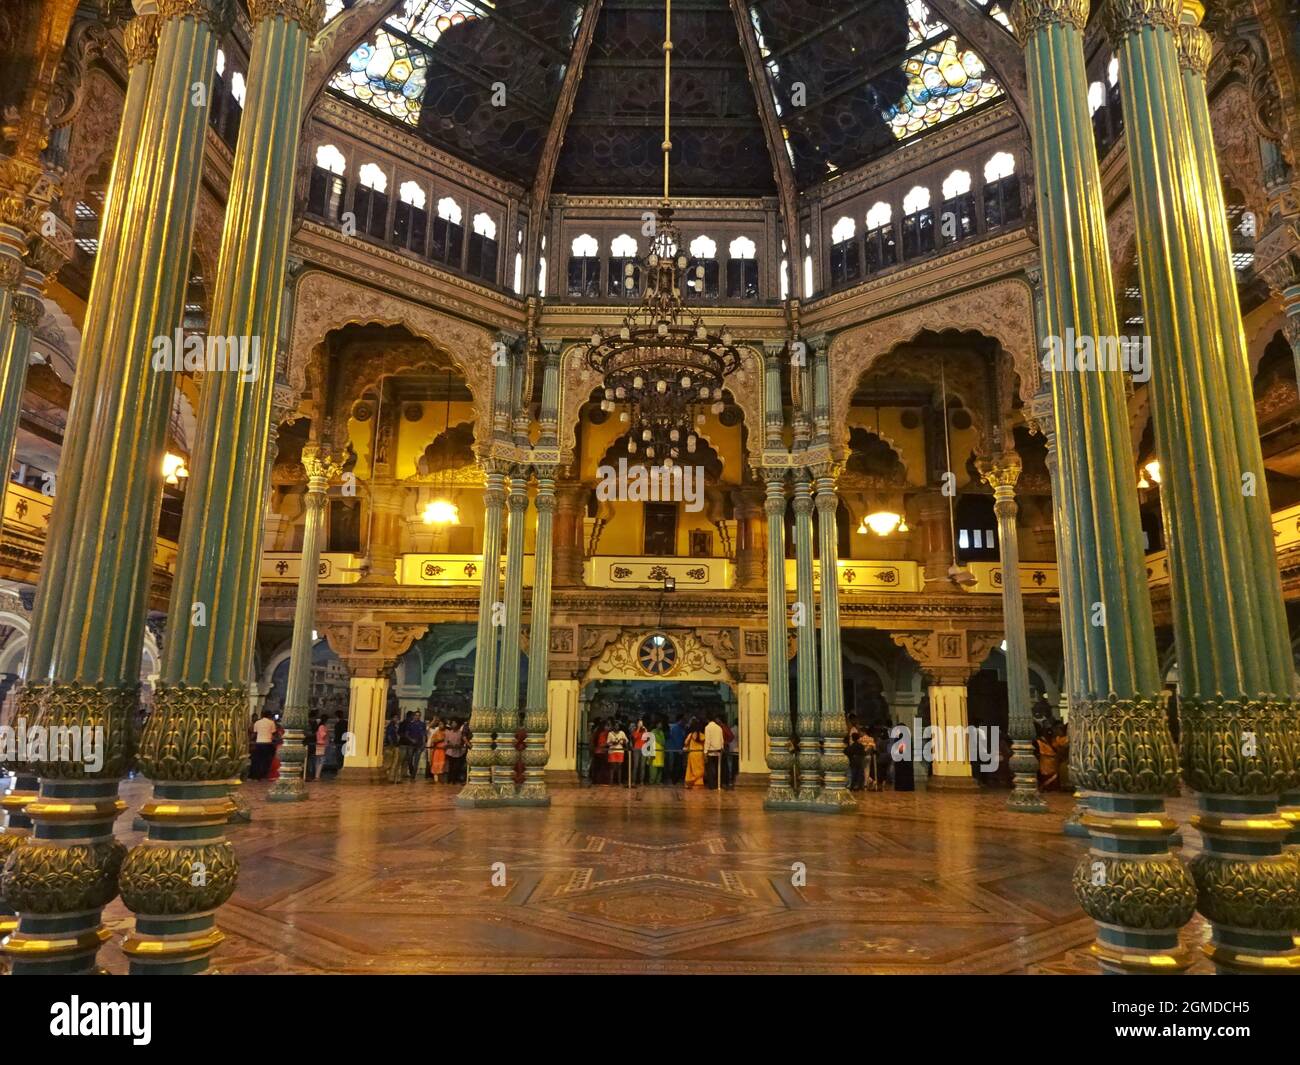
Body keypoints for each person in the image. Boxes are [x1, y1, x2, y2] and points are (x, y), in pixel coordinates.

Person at [250, 710, 278, 780]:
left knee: (257, 760)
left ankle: (256, 776)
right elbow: (274, 734)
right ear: (269, 716)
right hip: (268, 743)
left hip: (258, 743)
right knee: (266, 760)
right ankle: (264, 775)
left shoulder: (257, 722)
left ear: (262, 715)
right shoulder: (271, 722)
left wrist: (251, 741)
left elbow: (254, 734)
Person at [704, 714, 725, 790]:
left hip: (710, 751)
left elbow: (708, 740)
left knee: (709, 769)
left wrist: (705, 752)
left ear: (707, 720)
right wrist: (722, 748)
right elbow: (721, 739)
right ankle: (718, 784)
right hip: (718, 751)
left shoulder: (707, 728)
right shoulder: (719, 728)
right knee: (717, 768)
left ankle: (711, 785)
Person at [845, 716, 866, 792]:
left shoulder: (852, 745)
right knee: (860, 773)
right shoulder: (861, 745)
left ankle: (853, 785)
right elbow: (864, 753)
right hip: (860, 759)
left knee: (853, 773)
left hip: (854, 759)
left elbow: (848, 752)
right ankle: (860, 786)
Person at [684, 720, 706, 788]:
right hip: (700, 754)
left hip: (692, 754)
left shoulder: (690, 735)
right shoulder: (702, 735)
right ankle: (698, 782)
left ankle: (690, 781)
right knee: (700, 769)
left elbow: (686, 743)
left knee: (691, 770)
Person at [606, 719, 628, 786]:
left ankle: (619, 782)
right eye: (615, 726)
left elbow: (626, 741)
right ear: (613, 726)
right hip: (612, 751)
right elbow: (607, 743)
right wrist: (613, 743)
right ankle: (611, 782)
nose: (616, 727)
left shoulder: (622, 733)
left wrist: (623, 740)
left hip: (620, 751)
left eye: (617, 726)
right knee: (612, 767)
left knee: (619, 767)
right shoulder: (610, 733)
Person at [383, 712, 403, 783]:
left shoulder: (394, 726)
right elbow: (389, 736)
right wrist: (392, 745)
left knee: (394, 762)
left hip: (394, 745)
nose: (397, 719)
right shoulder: (391, 726)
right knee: (392, 762)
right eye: (396, 717)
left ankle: (392, 778)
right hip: (392, 746)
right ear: (392, 718)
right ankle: (390, 778)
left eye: (397, 718)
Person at [445, 719, 466, 784]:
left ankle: (454, 780)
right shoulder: (448, 732)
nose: (453, 724)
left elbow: (462, 742)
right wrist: (450, 744)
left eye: (455, 723)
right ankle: (449, 780)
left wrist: (458, 745)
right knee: (450, 767)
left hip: (458, 752)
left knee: (456, 767)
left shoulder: (460, 733)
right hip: (450, 752)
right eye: (452, 723)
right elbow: (446, 742)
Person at [667, 716, 685, 785]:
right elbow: (676, 740)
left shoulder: (680, 728)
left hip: (679, 749)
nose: (684, 722)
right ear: (679, 720)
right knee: (676, 765)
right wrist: (678, 749)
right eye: (683, 721)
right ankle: (674, 779)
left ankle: (676, 779)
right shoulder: (676, 728)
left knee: (678, 765)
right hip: (676, 749)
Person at [312, 713, 331, 781]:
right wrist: (328, 731)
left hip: (320, 744)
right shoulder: (322, 727)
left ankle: (317, 775)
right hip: (322, 744)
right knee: (321, 760)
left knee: (319, 760)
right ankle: (317, 776)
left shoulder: (320, 726)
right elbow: (323, 735)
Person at [427, 717, 447, 782]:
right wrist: (439, 740)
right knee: (435, 764)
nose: (440, 725)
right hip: (437, 750)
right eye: (439, 724)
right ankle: (436, 780)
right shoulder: (436, 732)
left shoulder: (447, 732)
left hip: (444, 751)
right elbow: (432, 740)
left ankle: (442, 780)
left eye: (442, 724)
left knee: (443, 765)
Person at [591, 718, 608, 786]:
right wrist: (608, 743)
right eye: (607, 725)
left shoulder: (597, 732)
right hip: (602, 752)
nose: (608, 727)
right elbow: (602, 743)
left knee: (597, 768)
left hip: (597, 752)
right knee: (602, 767)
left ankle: (595, 781)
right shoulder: (603, 733)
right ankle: (600, 781)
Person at [630, 720, 647, 786]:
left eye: (641, 723)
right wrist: (638, 728)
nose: (640, 724)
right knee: (636, 766)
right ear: (637, 724)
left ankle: (641, 781)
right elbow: (635, 737)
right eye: (639, 723)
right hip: (636, 748)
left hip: (643, 749)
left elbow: (646, 739)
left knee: (642, 766)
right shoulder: (634, 730)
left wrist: (645, 730)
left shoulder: (644, 730)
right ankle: (633, 781)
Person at [649, 719, 665, 785]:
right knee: (653, 768)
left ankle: (658, 781)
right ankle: (652, 781)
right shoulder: (653, 732)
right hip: (654, 752)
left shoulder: (662, 732)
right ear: (656, 724)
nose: (660, 725)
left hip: (661, 752)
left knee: (659, 768)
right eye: (659, 724)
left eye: (661, 724)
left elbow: (663, 742)